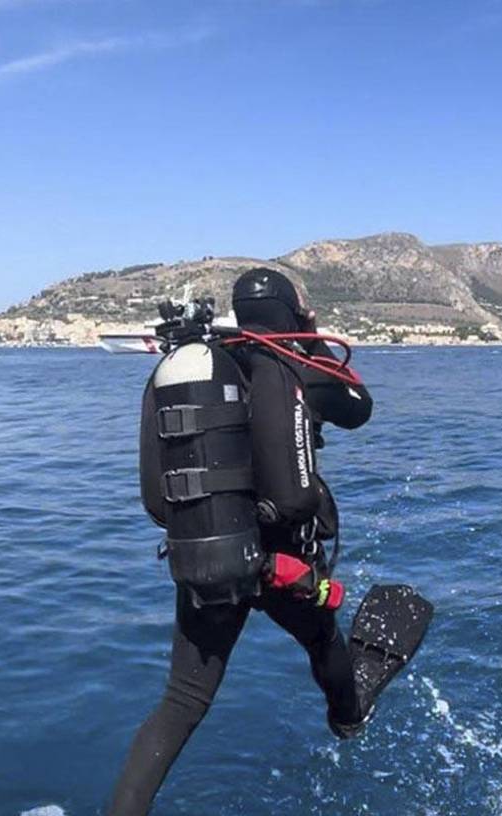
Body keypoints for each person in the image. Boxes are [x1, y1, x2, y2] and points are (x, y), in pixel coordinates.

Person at [107, 268, 432, 816]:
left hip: (211, 552)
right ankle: (347, 717)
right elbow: (361, 407)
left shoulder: (207, 363)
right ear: (293, 311)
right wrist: (313, 341)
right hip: (285, 565)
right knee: (325, 645)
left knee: (183, 701)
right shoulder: (299, 366)